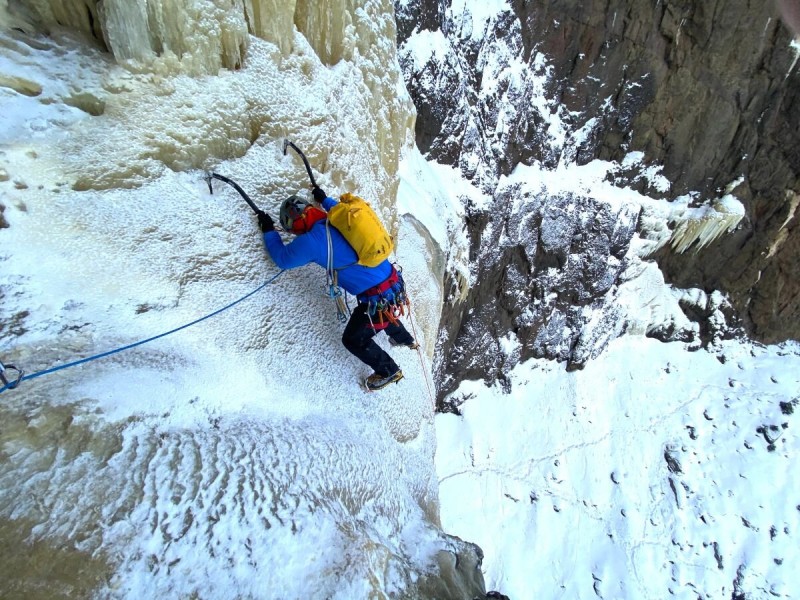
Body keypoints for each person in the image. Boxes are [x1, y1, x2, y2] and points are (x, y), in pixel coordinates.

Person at [257, 186, 417, 391]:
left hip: (377, 297)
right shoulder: (336, 216)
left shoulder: (311, 241)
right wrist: (323, 199)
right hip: (393, 282)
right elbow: (340, 208)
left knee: (353, 339)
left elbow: (282, 259)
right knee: (382, 313)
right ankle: (404, 338)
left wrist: (268, 231)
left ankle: (389, 371)